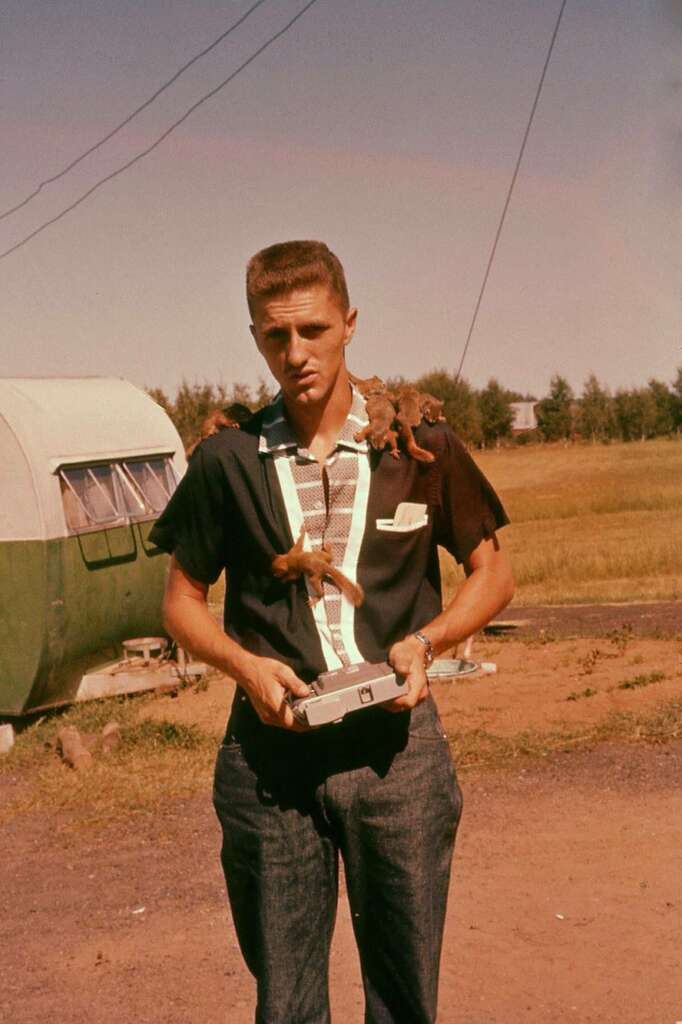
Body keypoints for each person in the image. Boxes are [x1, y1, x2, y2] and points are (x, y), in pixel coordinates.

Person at [150, 240, 514, 1024]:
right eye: (275, 336)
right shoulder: (228, 459)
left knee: (404, 996)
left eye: (313, 330)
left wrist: (427, 643)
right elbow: (179, 603)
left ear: (349, 323)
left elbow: (494, 574)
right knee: (285, 1004)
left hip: (397, 756)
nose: (296, 353)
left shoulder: (419, 448)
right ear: (255, 337)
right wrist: (245, 667)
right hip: (270, 764)